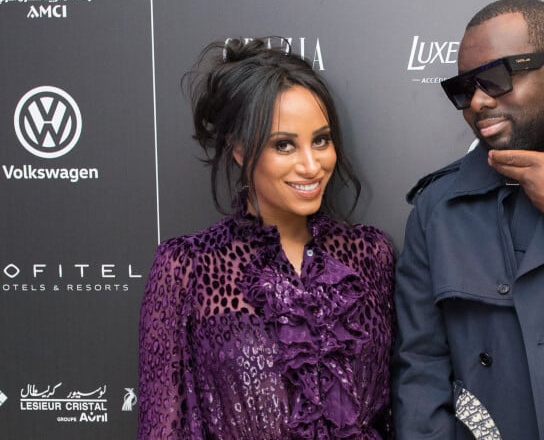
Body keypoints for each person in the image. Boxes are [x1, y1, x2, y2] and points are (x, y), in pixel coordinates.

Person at [138, 37, 396, 439]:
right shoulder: (187, 266)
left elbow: (397, 411)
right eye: (284, 145)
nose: (311, 165)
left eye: (321, 140)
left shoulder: (369, 255)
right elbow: (161, 427)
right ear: (240, 149)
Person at [393, 0, 544, 440]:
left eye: (496, 78)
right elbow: (420, 374)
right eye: (463, 89)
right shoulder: (438, 209)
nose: (476, 102)